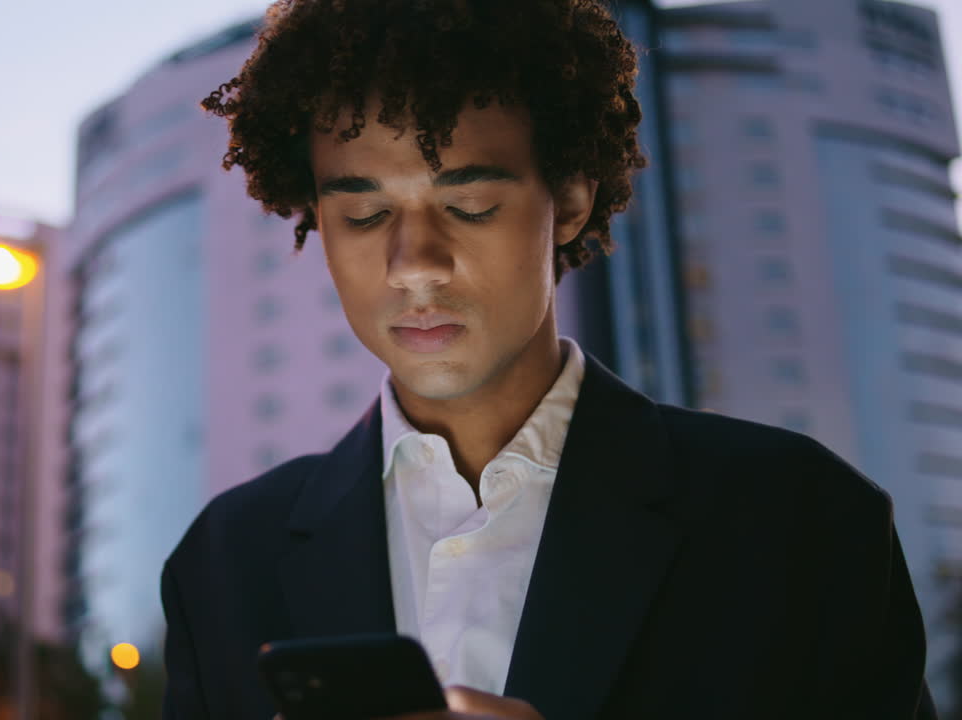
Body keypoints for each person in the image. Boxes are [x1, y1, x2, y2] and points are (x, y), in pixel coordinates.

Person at [159, 0, 936, 717]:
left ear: (569, 202)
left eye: (470, 206)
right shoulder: (225, 561)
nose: (414, 263)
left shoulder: (797, 516)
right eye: (364, 215)